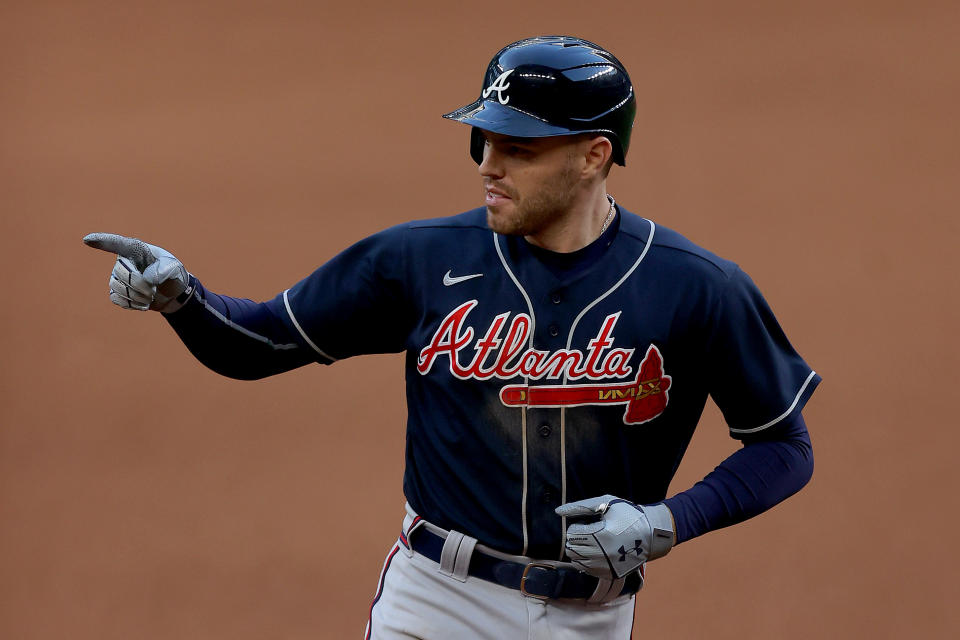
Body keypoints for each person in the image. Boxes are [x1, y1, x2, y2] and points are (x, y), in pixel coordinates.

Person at [85, 36, 819, 640]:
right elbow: (264, 343)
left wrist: (668, 521)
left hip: (592, 620)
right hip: (437, 603)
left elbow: (782, 446)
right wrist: (183, 298)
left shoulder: (696, 288)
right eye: (483, 140)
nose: (486, 166)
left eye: (518, 150)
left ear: (594, 155)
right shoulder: (420, 260)